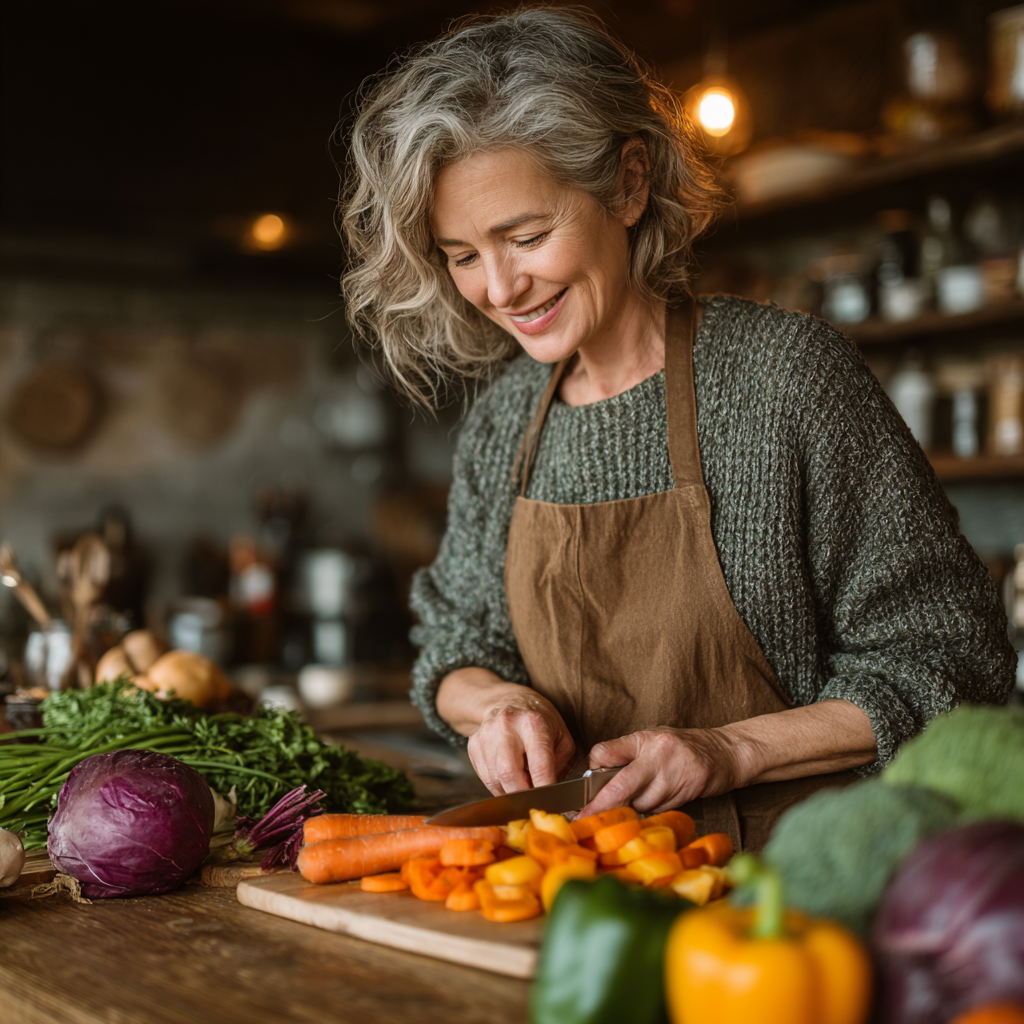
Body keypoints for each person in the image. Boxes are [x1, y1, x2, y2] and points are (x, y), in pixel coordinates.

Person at [340, 7, 1014, 850]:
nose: (500, 287)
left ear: (627, 184)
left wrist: (727, 752)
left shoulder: (785, 380)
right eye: (462, 254)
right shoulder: (506, 422)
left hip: (797, 893)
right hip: (576, 887)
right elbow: (454, 650)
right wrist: (498, 705)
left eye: (526, 235)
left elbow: (949, 657)